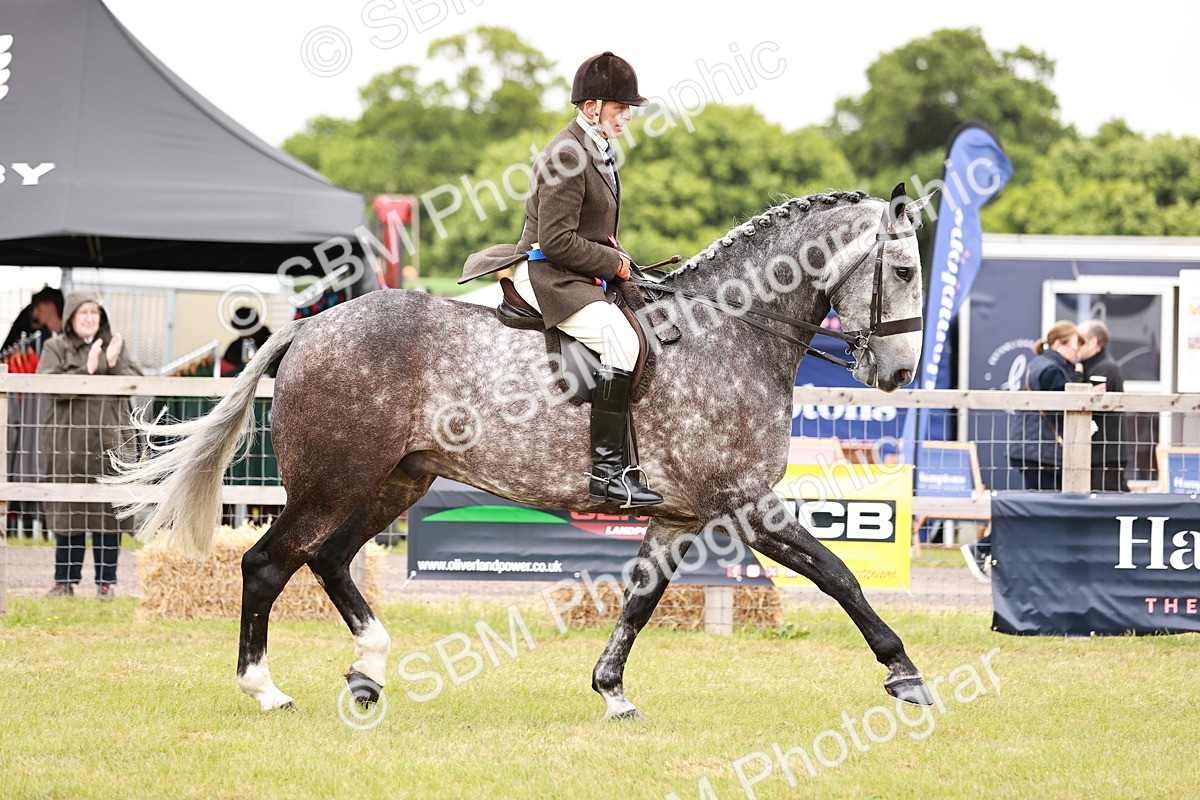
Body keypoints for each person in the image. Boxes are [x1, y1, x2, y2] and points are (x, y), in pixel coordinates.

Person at [489, 52, 661, 508]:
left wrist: (622, 260)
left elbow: (594, 231)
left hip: (577, 272)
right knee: (622, 343)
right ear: (592, 107)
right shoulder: (566, 154)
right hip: (550, 274)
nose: (627, 116)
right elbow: (558, 239)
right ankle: (607, 474)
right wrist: (612, 264)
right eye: (620, 107)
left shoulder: (597, 150)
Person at [963, 321, 1087, 582]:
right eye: (1075, 349)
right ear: (1059, 344)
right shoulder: (1053, 369)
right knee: (1038, 509)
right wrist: (1080, 382)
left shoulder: (1039, 363)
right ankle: (983, 547)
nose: (1078, 355)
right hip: (1040, 450)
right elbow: (1062, 407)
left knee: (1039, 508)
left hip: (1031, 447)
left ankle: (1008, 556)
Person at [38, 291, 142, 599]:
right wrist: (89, 369)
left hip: (111, 444)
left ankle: (106, 583)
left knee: (109, 515)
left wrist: (112, 363)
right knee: (69, 511)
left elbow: (139, 381)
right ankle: (64, 582)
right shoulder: (54, 347)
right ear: (70, 317)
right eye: (82, 312)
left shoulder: (116, 347)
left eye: (94, 313)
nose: (89, 318)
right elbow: (49, 386)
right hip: (67, 446)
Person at [1078, 320, 1128, 492]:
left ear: (1093, 342)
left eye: (1080, 340)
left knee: (1105, 506)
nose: (1076, 345)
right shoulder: (1093, 367)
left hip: (1105, 455)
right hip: (1099, 453)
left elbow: (1089, 407)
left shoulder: (1104, 369)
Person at [220, 305, 275, 378]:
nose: (243, 333)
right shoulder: (235, 346)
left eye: (246, 328)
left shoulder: (271, 343)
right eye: (240, 329)